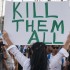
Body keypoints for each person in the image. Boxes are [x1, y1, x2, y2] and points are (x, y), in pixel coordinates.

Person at [2, 31, 70, 70]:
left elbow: (15, 52)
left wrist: (7, 38)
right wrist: (68, 40)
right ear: (45, 52)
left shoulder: (27, 64)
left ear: (32, 51)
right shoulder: (49, 64)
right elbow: (61, 53)